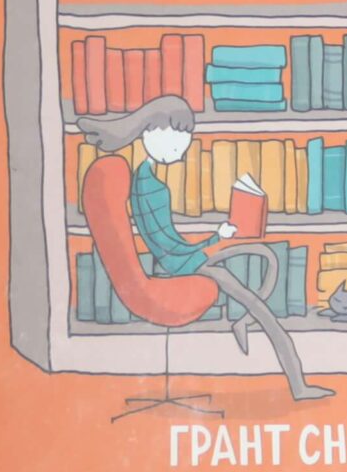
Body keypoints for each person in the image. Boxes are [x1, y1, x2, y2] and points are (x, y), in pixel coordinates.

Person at [77, 94, 333, 402]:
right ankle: (298, 385)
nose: (180, 155)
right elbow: (166, 247)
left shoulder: (146, 179)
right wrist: (211, 243)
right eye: (176, 147)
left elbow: (166, 240)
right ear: (150, 132)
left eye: (183, 148)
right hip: (180, 264)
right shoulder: (149, 187)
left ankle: (243, 322)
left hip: (183, 257)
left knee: (267, 258)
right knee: (260, 295)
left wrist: (215, 239)